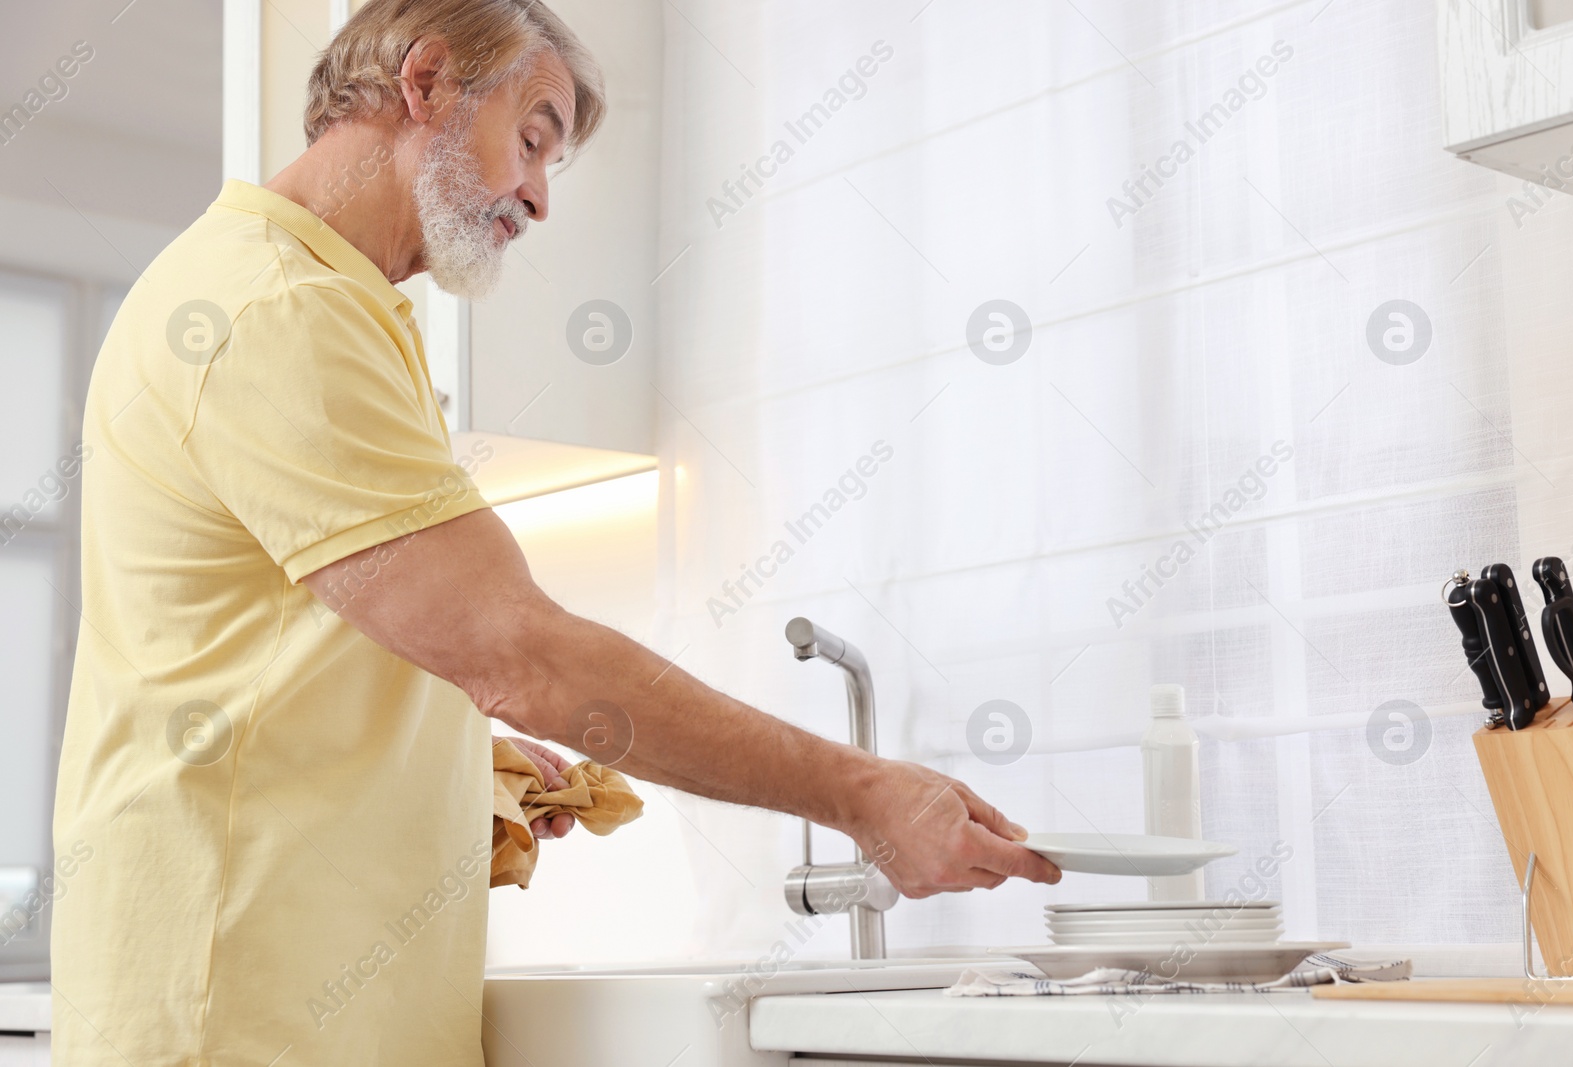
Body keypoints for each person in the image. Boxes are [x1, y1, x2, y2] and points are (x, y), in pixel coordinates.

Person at [50, 1, 1060, 1063]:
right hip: (241, 1009)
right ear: (426, 81)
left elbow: (266, 651)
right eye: (531, 137)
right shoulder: (278, 310)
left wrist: (448, 766)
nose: (535, 196)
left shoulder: (307, 298)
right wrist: (863, 793)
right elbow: (518, 651)